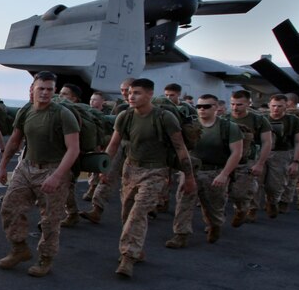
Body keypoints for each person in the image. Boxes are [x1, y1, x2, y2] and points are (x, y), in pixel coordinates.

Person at [101, 78, 195, 278]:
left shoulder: (165, 117)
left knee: (138, 212)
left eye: (137, 93)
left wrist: (189, 177)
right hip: (130, 169)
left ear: (150, 94)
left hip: (156, 172)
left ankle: (128, 256)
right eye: (129, 93)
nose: (131, 96)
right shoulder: (125, 116)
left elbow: (180, 147)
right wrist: (104, 168)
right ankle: (136, 248)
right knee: (127, 213)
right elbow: (114, 144)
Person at [0, 72, 80, 276]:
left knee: (50, 219)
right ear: (32, 88)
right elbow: (15, 140)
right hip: (26, 166)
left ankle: (45, 258)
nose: (45, 93)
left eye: (50, 89)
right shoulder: (26, 111)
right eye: (41, 88)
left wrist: (57, 176)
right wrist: (3, 165)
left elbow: (73, 149)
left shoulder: (62, 114)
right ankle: (19, 248)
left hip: (53, 168)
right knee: (9, 208)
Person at [165, 94, 242, 248]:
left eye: (206, 106)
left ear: (216, 108)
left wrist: (224, 174)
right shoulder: (189, 126)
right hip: (190, 171)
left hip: (214, 172)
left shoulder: (229, 128)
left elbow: (236, 153)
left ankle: (215, 225)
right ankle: (181, 234)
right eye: (199, 106)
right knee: (184, 203)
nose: (202, 110)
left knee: (214, 206)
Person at [82, 78, 134, 223]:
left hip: (136, 148)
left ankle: (139, 211)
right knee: (106, 176)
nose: (125, 93)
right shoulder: (121, 109)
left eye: (127, 89)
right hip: (119, 144)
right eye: (122, 90)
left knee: (132, 183)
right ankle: (96, 209)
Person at [227, 90, 272, 225]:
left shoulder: (258, 120)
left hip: (247, 160)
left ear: (248, 103)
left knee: (240, 193)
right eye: (233, 104)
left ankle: (243, 209)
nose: (235, 108)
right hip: (225, 160)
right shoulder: (224, 118)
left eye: (239, 104)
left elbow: (267, 142)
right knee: (218, 193)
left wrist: (260, 163)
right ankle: (214, 223)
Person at [262, 94, 299, 217]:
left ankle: (273, 201)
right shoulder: (261, 118)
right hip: (262, 152)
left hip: (282, 154)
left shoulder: (294, 121)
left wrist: (296, 161)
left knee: (274, 185)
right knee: (255, 182)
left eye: (279, 106)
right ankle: (251, 210)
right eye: (273, 106)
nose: (276, 109)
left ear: (286, 106)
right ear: (269, 105)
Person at [56, 83, 84, 226]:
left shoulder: (73, 114)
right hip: (57, 155)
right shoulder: (59, 111)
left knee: (67, 187)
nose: (61, 97)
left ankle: (72, 214)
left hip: (70, 157)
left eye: (65, 94)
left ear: (75, 99)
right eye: (60, 93)